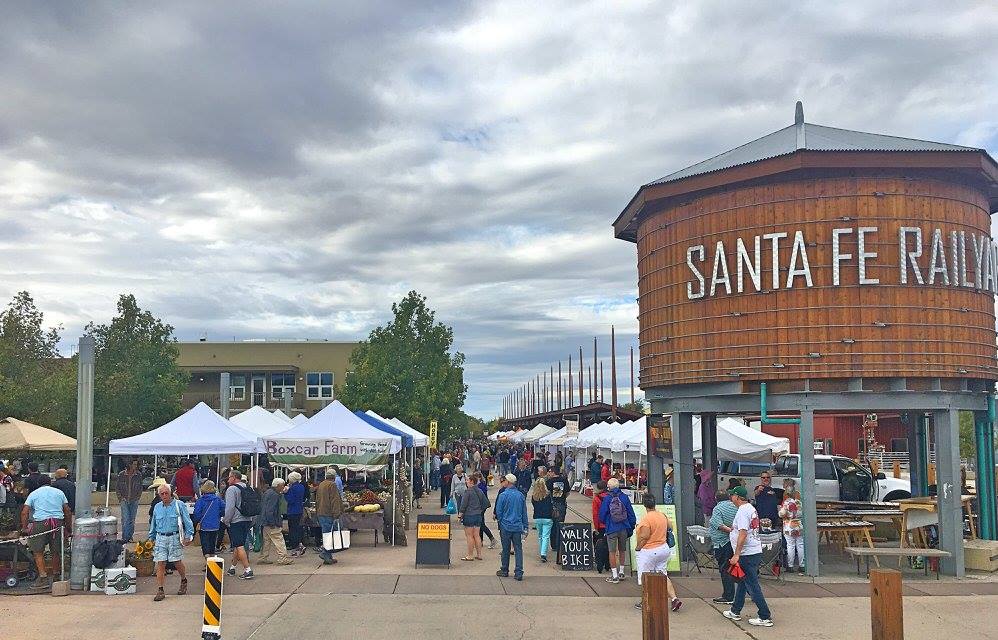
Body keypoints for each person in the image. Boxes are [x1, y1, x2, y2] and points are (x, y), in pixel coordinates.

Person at [722, 486, 774, 627]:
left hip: (747, 553)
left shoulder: (743, 511)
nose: (731, 497)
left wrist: (737, 554)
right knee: (743, 583)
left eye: (732, 495)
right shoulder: (750, 508)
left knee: (752, 585)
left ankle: (765, 616)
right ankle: (735, 610)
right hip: (753, 551)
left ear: (737, 497)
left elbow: (743, 533)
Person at [21, 475, 72, 589]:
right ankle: (56, 576)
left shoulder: (34, 494)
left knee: (38, 551)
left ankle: (43, 577)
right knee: (55, 551)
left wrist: (24, 528)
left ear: (39, 483)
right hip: (57, 523)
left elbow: (24, 512)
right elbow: (67, 511)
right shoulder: (59, 493)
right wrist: (68, 527)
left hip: (40, 523)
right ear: (51, 482)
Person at [633, 492, 682, 612]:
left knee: (645, 577)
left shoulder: (646, 519)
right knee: (663, 575)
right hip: (663, 549)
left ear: (644, 505)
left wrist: (638, 547)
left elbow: (644, 536)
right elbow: (670, 527)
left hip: (649, 551)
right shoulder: (662, 515)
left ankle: (646, 601)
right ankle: (674, 598)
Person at [149, 483, 194, 601]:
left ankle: (183, 579)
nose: (164, 496)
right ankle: (160, 589)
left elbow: (187, 521)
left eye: (166, 493)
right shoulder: (157, 507)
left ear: (171, 493)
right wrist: (151, 537)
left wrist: (189, 536)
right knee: (161, 563)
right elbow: (153, 523)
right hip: (160, 537)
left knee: (177, 562)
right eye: (162, 494)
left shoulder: (179, 505)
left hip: (174, 536)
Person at [598, 478, 636, 584]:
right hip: (623, 527)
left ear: (609, 487)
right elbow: (631, 514)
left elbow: (602, 515)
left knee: (612, 552)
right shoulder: (624, 497)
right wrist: (631, 526)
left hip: (611, 527)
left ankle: (614, 576)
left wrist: (606, 522)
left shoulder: (607, 498)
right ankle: (622, 572)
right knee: (622, 550)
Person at [494, 473, 529, 581]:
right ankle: (519, 572)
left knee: (506, 549)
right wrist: (526, 526)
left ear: (508, 482)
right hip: (517, 526)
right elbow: (524, 512)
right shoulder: (520, 495)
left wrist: (501, 520)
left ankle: (504, 569)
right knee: (518, 549)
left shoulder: (503, 495)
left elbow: (499, 512)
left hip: (505, 525)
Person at [222, 470, 254, 580]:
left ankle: (247, 569)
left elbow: (230, 507)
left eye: (229, 477)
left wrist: (226, 520)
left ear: (234, 477)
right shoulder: (247, 487)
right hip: (248, 518)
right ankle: (233, 567)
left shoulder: (231, 489)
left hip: (236, 520)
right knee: (237, 543)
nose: (228, 479)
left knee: (239, 545)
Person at [708, 489, 738, 604]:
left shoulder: (718, 509)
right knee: (735, 568)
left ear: (716, 499)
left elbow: (719, 524)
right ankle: (752, 592)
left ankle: (728, 596)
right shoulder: (735, 507)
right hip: (733, 542)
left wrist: (730, 530)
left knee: (725, 569)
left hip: (722, 543)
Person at [259, 478, 294, 565]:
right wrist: (272, 523)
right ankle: (283, 558)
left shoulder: (268, 492)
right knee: (279, 540)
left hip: (264, 521)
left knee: (266, 541)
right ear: (278, 486)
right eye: (282, 486)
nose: (283, 487)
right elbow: (270, 510)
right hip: (271, 522)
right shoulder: (274, 495)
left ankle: (263, 557)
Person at [316, 466, 345, 565]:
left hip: (321, 512)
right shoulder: (332, 485)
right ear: (334, 477)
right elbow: (335, 501)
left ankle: (328, 557)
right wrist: (337, 514)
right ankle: (325, 553)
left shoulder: (321, 485)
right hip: (328, 513)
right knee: (330, 535)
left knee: (327, 534)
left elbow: (317, 500)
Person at [459, 474, 487, 561]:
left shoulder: (468, 492)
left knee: (469, 536)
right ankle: (479, 554)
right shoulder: (479, 491)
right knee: (477, 535)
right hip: (478, 515)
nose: (466, 481)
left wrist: (460, 515)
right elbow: (485, 502)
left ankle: (470, 555)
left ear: (471, 482)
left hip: (469, 515)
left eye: (467, 480)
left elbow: (463, 505)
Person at [193, 481, 224, 558]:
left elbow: (197, 513)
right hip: (215, 525)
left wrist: (198, 521)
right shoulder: (218, 499)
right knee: (212, 543)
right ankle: (212, 561)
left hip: (204, 525)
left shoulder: (200, 500)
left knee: (205, 544)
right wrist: (219, 515)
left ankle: (208, 562)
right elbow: (224, 509)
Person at [116, 458, 144, 542]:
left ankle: (129, 536)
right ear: (130, 465)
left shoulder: (138, 475)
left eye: (136, 464)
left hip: (134, 499)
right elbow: (117, 487)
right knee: (125, 518)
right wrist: (120, 498)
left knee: (132, 519)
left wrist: (138, 496)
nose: (135, 466)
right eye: (134, 464)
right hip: (124, 499)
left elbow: (140, 487)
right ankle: (125, 537)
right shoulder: (122, 474)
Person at [779, 487, 804, 575]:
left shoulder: (786, 503)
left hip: (789, 527)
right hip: (799, 526)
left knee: (790, 546)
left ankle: (790, 566)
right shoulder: (799, 502)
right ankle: (802, 565)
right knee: (800, 545)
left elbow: (781, 514)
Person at [546, 466, 569, 565]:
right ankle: (560, 543)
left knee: (552, 525)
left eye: (549, 471)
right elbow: (567, 492)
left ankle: (554, 545)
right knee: (560, 524)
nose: (548, 473)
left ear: (553, 472)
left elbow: (546, 493)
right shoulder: (564, 480)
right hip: (562, 505)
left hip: (552, 505)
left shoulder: (549, 482)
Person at [530, 478, 553, 562]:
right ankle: (543, 554)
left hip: (537, 517)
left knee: (540, 536)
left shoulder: (534, 496)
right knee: (546, 536)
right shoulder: (548, 495)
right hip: (547, 517)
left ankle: (542, 551)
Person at [285, 471, 307, 556]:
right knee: (297, 528)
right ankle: (300, 544)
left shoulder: (292, 488)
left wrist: (286, 493)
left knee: (292, 530)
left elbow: (290, 500)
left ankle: (296, 547)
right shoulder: (301, 486)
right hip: (299, 510)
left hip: (292, 511)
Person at [477, 474, 497, 549]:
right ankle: (481, 540)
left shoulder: (481, 486)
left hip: (482, 506)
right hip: (481, 506)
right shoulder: (481, 485)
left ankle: (492, 538)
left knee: (481, 524)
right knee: (481, 523)